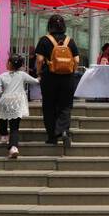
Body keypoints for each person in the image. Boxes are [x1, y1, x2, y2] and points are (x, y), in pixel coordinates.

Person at [34, 14, 79, 145]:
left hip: (49, 77)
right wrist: (71, 70)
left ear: (49, 25)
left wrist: (39, 71)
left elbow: (39, 59)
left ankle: (52, 137)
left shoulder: (44, 40)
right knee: (65, 105)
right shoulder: (70, 41)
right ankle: (64, 131)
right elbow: (76, 60)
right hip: (67, 78)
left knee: (49, 106)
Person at [0, 54, 39, 158]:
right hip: (17, 102)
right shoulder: (22, 75)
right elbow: (35, 81)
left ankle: (3, 134)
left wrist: (2, 94)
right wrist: (40, 77)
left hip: (5, 100)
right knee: (14, 127)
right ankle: (13, 147)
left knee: (3, 116)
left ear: (10, 64)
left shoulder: (2, 76)